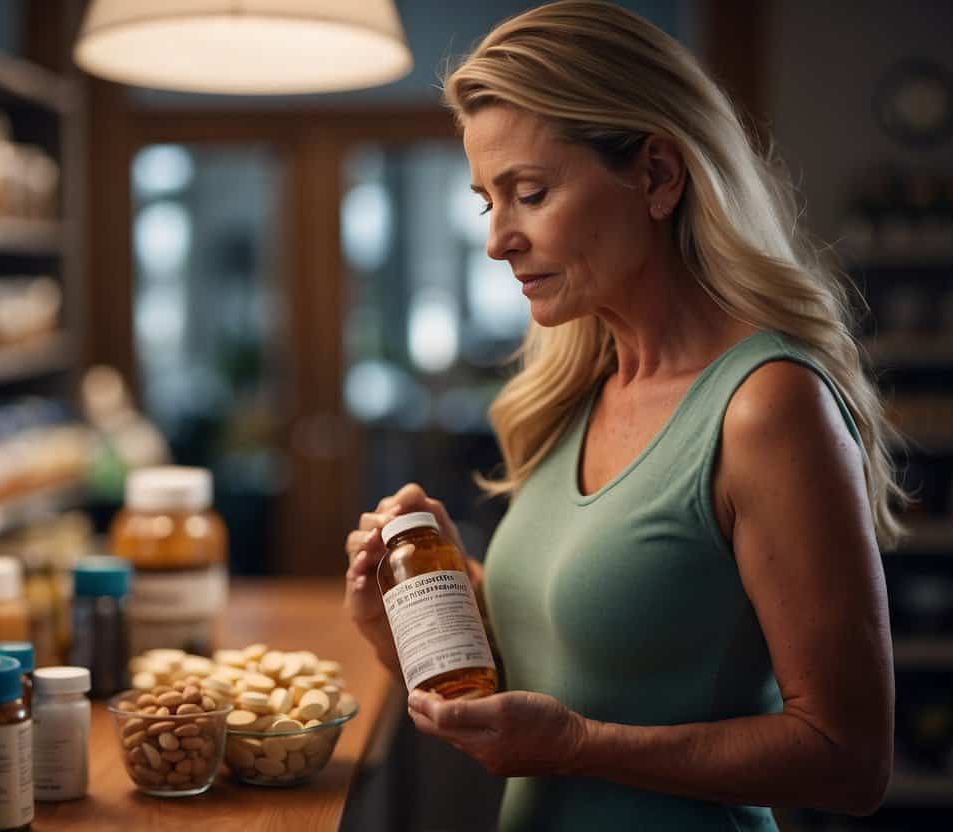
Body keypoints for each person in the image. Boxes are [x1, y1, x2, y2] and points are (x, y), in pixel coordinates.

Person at [343, 2, 900, 829]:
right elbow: (569, 679)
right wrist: (418, 617)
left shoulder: (768, 406)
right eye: (485, 202)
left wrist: (576, 745)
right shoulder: (576, 388)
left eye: (528, 193)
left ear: (656, 176)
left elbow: (848, 759)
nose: (498, 240)